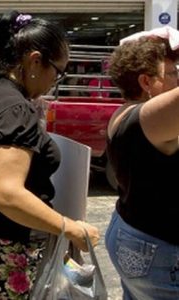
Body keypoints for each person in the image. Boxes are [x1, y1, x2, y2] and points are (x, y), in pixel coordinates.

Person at [0, 11, 100, 298]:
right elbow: (7, 194)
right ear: (34, 61)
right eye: (58, 71)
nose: (56, 80)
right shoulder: (15, 110)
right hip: (9, 241)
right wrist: (70, 228)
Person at [105, 27, 179, 300]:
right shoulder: (147, 117)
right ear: (146, 82)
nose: (177, 80)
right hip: (156, 249)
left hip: (133, 233)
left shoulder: (125, 113)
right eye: (172, 74)